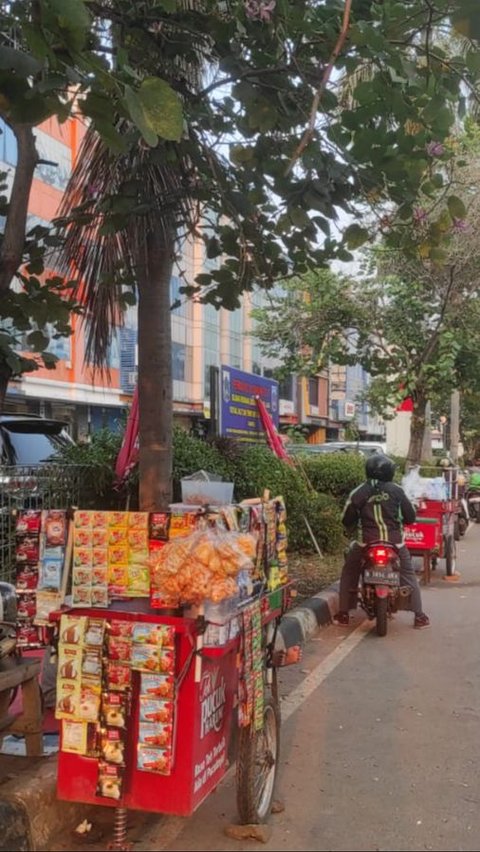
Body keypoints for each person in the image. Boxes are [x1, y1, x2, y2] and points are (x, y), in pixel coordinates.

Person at [334, 454, 430, 630]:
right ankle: (419, 616)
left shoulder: (358, 492)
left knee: (350, 572)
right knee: (408, 575)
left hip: (365, 543)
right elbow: (410, 517)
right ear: (389, 472)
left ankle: (344, 614)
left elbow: (346, 519)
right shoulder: (397, 491)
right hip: (395, 543)